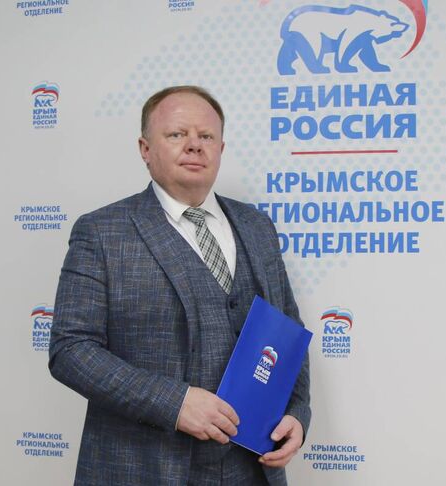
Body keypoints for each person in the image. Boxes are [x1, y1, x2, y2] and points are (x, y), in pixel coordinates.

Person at [49, 85, 310, 485]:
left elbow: (289, 333)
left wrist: (297, 413)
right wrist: (174, 403)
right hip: (144, 470)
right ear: (145, 149)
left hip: (253, 470)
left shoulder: (257, 226)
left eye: (206, 136)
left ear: (221, 148)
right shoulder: (101, 232)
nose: (194, 145)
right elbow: (70, 350)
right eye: (176, 134)